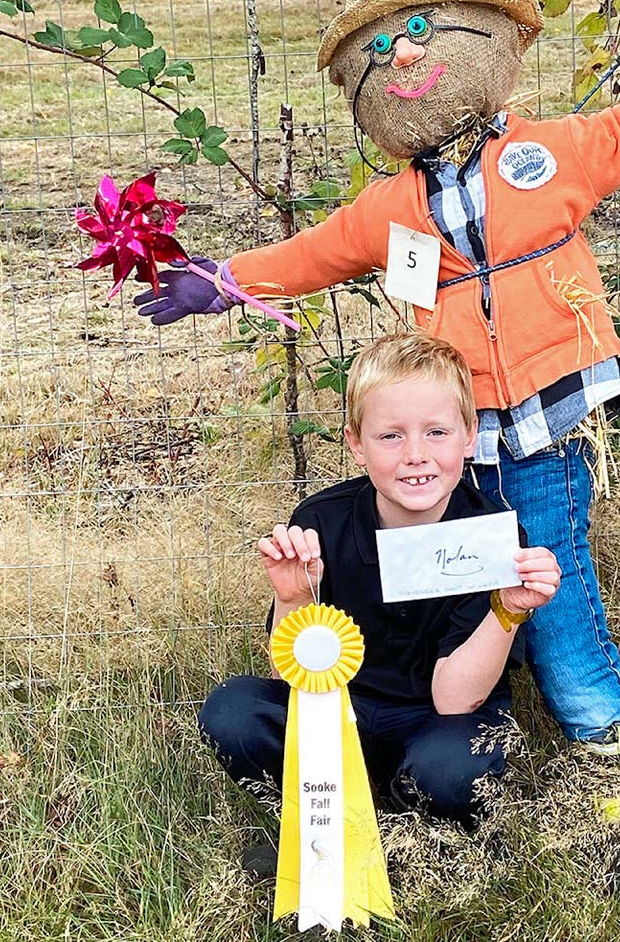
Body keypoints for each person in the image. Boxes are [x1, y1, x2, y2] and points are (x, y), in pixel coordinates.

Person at [139, 0, 620, 761]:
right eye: (385, 40)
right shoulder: (387, 209)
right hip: (451, 429)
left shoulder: (546, 154)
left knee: (550, 555)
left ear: (490, 35)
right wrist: (222, 281)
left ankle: (595, 708)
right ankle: (449, 713)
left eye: (423, 28)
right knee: (462, 566)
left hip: (549, 411)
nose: (402, 54)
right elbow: (309, 255)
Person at [198, 333, 561, 871]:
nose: (416, 455)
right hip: (340, 715)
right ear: (356, 443)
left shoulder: (491, 538)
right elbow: (292, 669)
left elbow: (454, 700)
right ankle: (334, 813)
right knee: (231, 711)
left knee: (453, 769)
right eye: (390, 436)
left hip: (441, 722)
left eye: (436, 432)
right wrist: (293, 595)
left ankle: (415, 835)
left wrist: (507, 609)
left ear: (469, 436)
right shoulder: (322, 521)